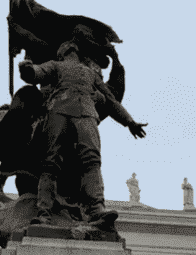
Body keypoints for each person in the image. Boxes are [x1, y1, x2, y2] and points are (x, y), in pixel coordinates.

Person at [19, 40, 147, 225]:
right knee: (51, 164)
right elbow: (37, 73)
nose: (71, 48)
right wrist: (27, 68)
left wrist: (129, 122)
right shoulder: (56, 65)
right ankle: (44, 212)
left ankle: (96, 209)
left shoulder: (90, 73)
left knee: (92, 161)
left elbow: (111, 101)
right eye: (67, 48)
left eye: (73, 48)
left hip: (86, 115)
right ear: (62, 54)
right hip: (59, 112)